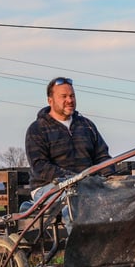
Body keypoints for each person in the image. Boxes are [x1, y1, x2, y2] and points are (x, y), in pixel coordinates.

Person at [24, 77, 114, 231]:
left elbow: (102, 156)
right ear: (50, 100)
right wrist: (72, 179)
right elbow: (40, 166)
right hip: (48, 187)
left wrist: (110, 176)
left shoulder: (87, 126)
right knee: (74, 205)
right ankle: (81, 253)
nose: (69, 100)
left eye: (72, 96)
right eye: (63, 97)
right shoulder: (37, 129)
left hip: (85, 185)